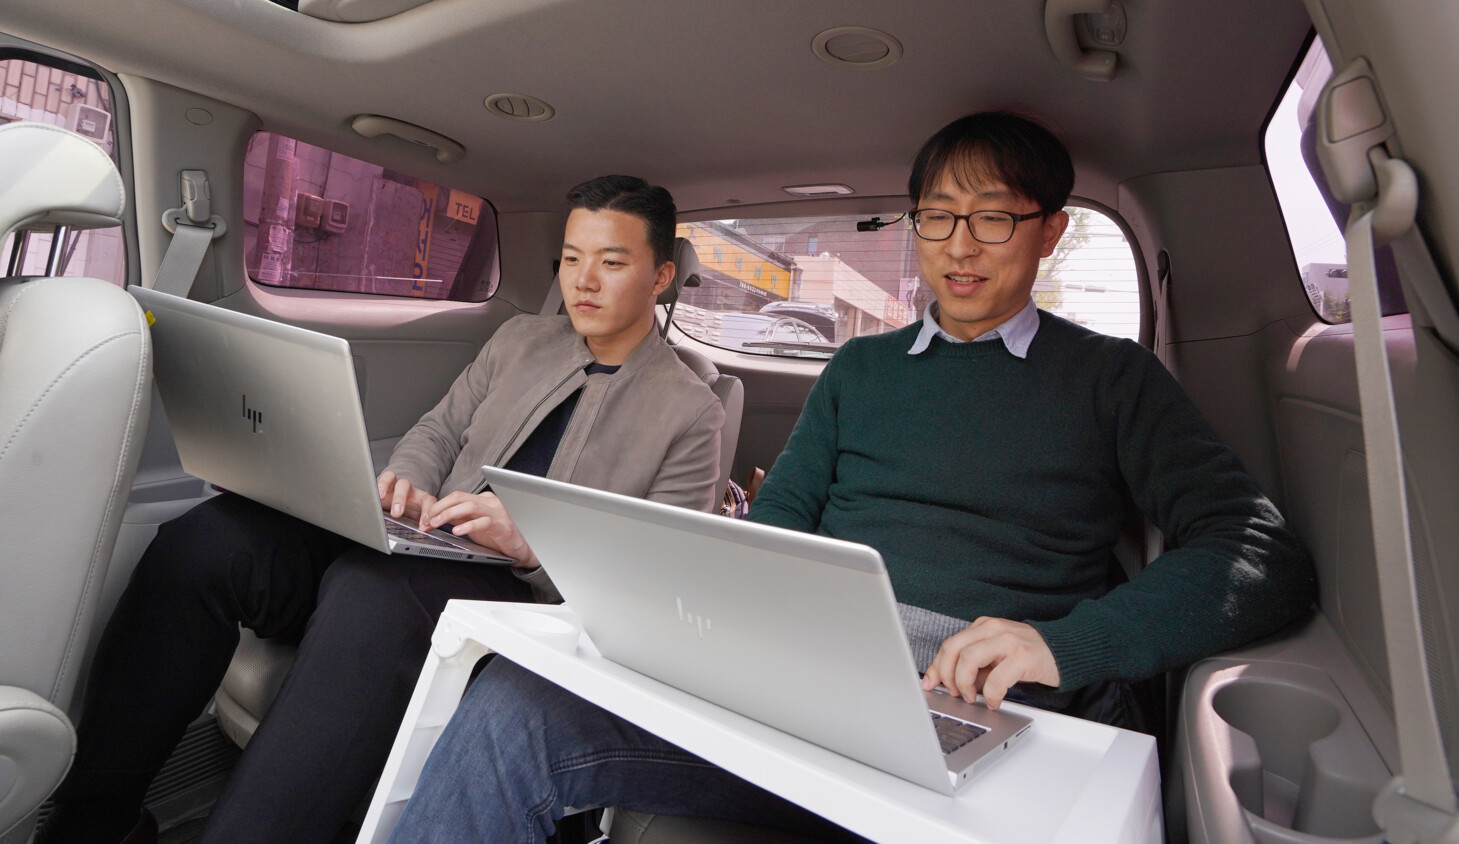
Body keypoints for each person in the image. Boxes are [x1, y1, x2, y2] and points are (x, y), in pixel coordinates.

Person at [383, 112, 1317, 843]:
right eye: (938, 218)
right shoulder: (859, 372)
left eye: (993, 217)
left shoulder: (1113, 380)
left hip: (980, 700)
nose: (959, 245)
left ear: (1051, 232)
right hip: (808, 672)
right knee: (515, 708)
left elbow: (1259, 551)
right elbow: (777, 526)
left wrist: (1063, 646)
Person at [39, 175, 725, 844]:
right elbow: (437, 431)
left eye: (611, 262)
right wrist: (404, 482)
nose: (584, 281)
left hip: (521, 598)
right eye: (572, 259)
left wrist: (530, 546)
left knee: (372, 595)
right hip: (421, 542)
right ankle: (97, 822)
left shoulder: (690, 411)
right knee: (211, 542)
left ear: (660, 276)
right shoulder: (521, 341)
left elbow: (655, 585)